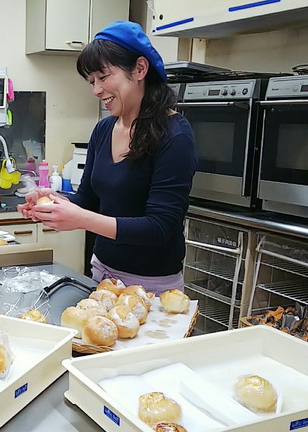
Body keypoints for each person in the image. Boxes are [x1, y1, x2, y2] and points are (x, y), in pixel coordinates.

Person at [17, 21, 196, 294]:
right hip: (102, 274)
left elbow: (159, 228)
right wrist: (52, 201)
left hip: (152, 287)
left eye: (103, 77)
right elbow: (88, 199)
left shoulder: (175, 135)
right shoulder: (104, 129)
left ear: (139, 69)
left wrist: (81, 219)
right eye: (91, 81)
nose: (96, 90)